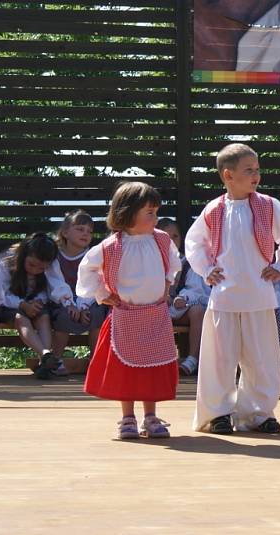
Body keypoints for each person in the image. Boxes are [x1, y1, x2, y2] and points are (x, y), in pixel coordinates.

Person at [186, 143, 280, 435]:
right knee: (219, 359)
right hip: (224, 296)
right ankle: (218, 414)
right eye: (249, 170)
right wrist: (205, 270)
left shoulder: (268, 205)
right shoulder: (213, 210)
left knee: (261, 358)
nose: (256, 176)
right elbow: (194, 242)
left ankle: (258, 413)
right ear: (228, 175)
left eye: (258, 170)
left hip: (260, 295)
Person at [78, 182, 182, 439]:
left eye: (156, 212)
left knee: (152, 367)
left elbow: (173, 263)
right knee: (126, 370)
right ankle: (127, 417)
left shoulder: (162, 239)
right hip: (126, 316)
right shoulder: (111, 246)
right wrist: (103, 294)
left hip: (155, 314)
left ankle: (151, 416)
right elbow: (88, 269)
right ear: (128, 212)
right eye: (150, 212)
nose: (155, 218)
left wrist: (168, 285)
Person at [0, 234, 67, 379]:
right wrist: (21, 304)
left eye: (41, 268)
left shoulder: (52, 263)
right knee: (21, 318)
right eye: (31, 265)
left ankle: (44, 361)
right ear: (23, 255)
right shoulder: (5, 261)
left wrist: (38, 301)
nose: (34, 270)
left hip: (34, 302)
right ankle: (45, 354)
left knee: (43, 316)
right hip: (7, 305)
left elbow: (54, 285)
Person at [50, 210, 109, 374]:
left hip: (88, 299)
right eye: (80, 229)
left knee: (96, 313)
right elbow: (56, 283)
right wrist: (69, 304)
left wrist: (82, 306)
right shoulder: (55, 256)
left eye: (89, 231)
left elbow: (94, 283)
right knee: (62, 316)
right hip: (63, 301)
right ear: (65, 232)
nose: (86, 234)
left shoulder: (93, 256)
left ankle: (96, 359)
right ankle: (56, 359)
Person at [157, 218, 209, 376]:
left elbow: (194, 289)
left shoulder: (189, 263)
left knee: (198, 311)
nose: (172, 241)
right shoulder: (149, 261)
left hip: (177, 308)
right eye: (167, 237)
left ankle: (193, 358)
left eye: (175, 236)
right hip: (153, 308)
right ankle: (152, 359)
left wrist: (182, 299)